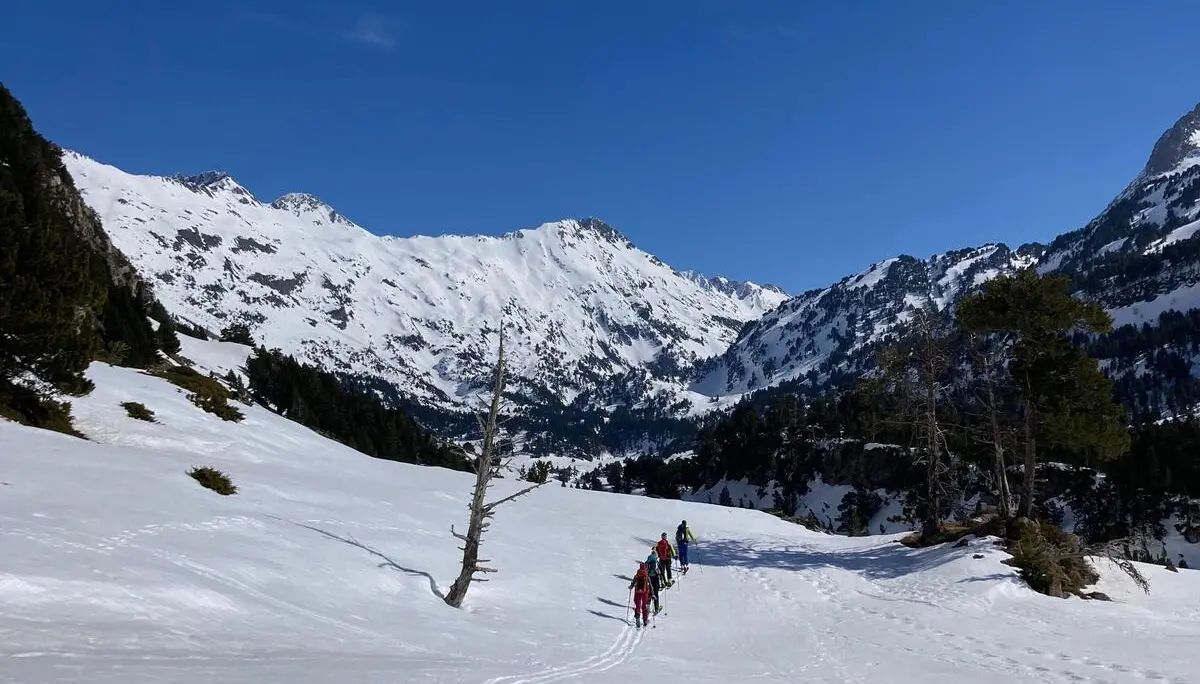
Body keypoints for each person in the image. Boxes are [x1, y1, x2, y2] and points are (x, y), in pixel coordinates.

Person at [629, 562, 652, 628]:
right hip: (645, 593)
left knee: (638, 605)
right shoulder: (646, 575)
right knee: (644, 606)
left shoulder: (637, 575)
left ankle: (637, 618)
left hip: (637, 593)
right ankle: (645, 620)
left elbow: (633, 584)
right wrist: (652, 593)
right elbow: (650, 585)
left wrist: (631, 586)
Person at [645, 547, 663, 614]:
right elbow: (662, 571)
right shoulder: (656, 561)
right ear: (656, 555)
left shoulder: (647, 561)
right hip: (656, 579)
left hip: (649, 579)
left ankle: (648, 608)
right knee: (656, 593)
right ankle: (656, 608)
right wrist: (662, 580)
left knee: (649, 593)